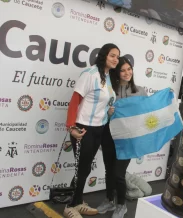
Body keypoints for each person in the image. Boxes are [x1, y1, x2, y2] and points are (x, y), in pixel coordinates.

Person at [64, 43, 120, 218]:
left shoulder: (108, 77)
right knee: (82, 168)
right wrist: (71, 127)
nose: (115, 60)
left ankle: (78, 202)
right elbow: (75, 101)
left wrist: (108, 110)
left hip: (99, 129)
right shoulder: (89, 74)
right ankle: (70, 206)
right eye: (112, 55)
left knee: (86, 167)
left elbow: (103, 101)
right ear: (104, 55)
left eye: (117, 57)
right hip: (83, 129)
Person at [96, 56, 147, 218]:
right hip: (109, 135)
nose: (127, 73)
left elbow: (146, 116)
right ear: (117, 73)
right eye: (122, 70)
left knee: (118, 173)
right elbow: (99, 111)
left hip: (128, 139)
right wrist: (107, 112)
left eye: (129, 69)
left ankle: (121, 205)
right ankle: (109, 200)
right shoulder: (109, 90)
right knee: (109, 171)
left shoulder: (140, 91)